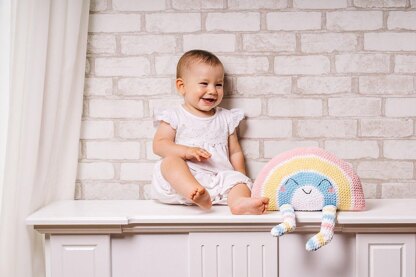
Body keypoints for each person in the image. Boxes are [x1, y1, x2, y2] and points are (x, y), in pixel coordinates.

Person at [151, 49, 269, 215]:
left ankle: (238, 202)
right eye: (204, 84)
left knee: (238, 181)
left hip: (218, 179)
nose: (213, 90)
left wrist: (240, 177)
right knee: (169, 162)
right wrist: (186, 151)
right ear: (182, 86)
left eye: (218, 84)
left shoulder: (226, 118)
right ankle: (195, 192)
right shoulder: (175, 115)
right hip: (185, 178)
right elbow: (159, 145)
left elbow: (235, 152)